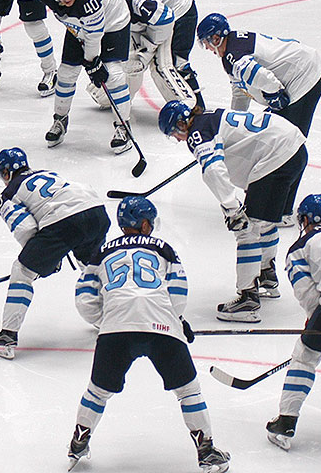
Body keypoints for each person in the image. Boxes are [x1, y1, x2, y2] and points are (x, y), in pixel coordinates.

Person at [69, 196, 230, 473]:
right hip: (162, 328)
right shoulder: (163, 248)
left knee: (97, 392)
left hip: (115, 330)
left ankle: (78, 443)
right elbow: (178, 289)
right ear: (144, 224)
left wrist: (107, 319)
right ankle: (206, 451)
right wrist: (175, 319)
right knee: (188, 390)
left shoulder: (101, 252)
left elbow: (84, 297)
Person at [158, 100, 307, 322]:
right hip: (294, 150)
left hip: (274, 157)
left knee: (247, 228)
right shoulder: (209, 118)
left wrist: (232, 208)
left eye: (174, 134)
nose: (178, 140)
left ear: (181, 123)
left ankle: (248, 298)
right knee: (264, 222)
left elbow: (212, 169)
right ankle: (266, 275)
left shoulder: (197, 133)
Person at [197, 13, 321, 225]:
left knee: (288, 144)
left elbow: (259, 75)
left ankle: (281, 210)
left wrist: (275, 91)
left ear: (218, 37)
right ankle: (276, 200)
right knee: (282, 140)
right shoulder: (231, 54)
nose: (209, 48)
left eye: (208, 42)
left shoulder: (233, 55)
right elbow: (240, 91)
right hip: (300, 72)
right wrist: (230, 123)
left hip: (303, 78)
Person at [0, 147, 109, 360]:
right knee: (92, 268)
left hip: (65, 221)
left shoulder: (8, 194)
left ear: (6, 173)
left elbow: (25, 229)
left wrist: (45, 260)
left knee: (22, 271)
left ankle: (6, 337)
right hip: (96, 212)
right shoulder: (48, 173)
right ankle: (112, 318)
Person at [266, 193, 321, 451]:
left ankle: (286, 423)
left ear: (304, 219)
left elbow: (309, 296)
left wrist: (315, 327)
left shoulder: (299, 248)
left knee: (306, 354)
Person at [37, 0, 135, 154]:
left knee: (112, 74)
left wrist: (92, 63)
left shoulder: (89, 1)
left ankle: (123, 126)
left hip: (113, 23)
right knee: (65, 74)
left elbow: (93, 38)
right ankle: (60, 120)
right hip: (79, 26)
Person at [89, 0, 204, 110]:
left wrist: (146, 53)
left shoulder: (135, 1)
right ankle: (115, 99)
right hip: (146, 20)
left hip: (175, 13)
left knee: (164, 65)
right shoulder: (107, 3)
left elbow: (164, 21)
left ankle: (192, 110)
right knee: (130, 62)